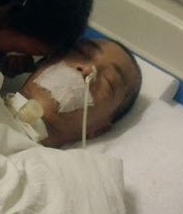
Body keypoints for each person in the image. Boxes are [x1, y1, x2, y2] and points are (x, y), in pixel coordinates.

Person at [9, 37, 142, 148]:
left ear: (99, 129)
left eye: (108, 80)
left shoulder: (55, 170)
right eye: (81, 54)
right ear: (46, 60)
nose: (87, 69)